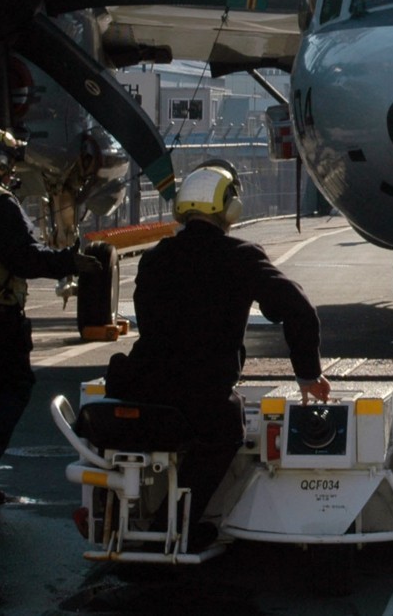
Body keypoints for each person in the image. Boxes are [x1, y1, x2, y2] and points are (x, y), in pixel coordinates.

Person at [104, 159, 329, 546]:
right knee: (226, 430)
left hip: (140, 386)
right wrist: (308, 374)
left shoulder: (155, 258)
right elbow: (298, 309)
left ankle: (124, 522)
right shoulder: (240, 256)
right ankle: (175, 529)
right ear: (231, 209)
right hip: (200, 397)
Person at [0, 128, 110, 508]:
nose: (11, 172)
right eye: (8, 163)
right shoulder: (0, 204)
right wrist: (67, 261)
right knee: (16, 388)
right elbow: (23, 257)